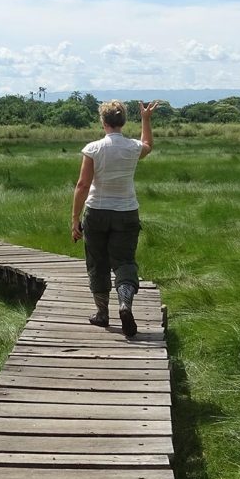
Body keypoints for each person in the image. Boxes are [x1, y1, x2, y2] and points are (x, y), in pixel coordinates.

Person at [70, 100, 158, 337]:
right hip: (127, 212)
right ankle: (125, 303)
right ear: (123, 122)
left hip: (97, 212)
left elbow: (82, 185)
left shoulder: (93, 149)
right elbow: (148, 144)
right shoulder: (132, 148)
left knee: (97, 263)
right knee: (125, 262)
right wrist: (146, 119)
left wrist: (75, 219)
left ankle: (102, 314)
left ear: (103, 121)